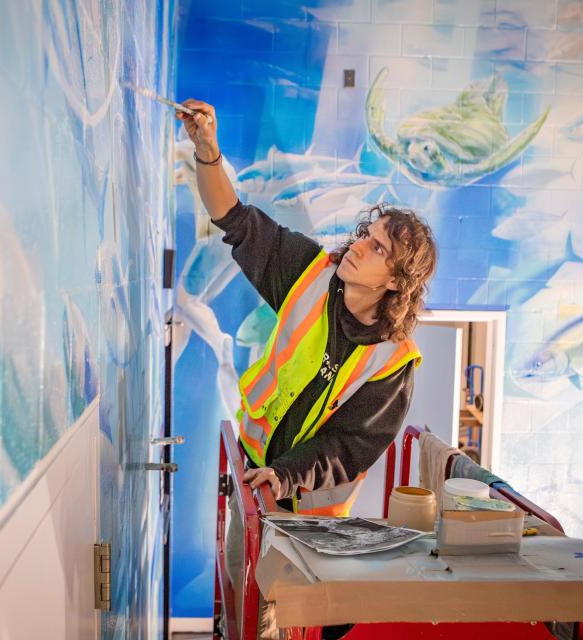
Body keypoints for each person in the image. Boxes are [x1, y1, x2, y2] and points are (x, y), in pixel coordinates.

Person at [177, 99, 438, 639]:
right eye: (366, 235)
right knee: (241, 605)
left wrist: (287, 475)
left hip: (311, 521)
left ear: (395, 281)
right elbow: (234, 218)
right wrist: (208, 154)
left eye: (377, 247)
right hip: (253, 479)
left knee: (281, 621)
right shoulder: (309, 272)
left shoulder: (395, 362)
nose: (359, 246)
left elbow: (347, 448)